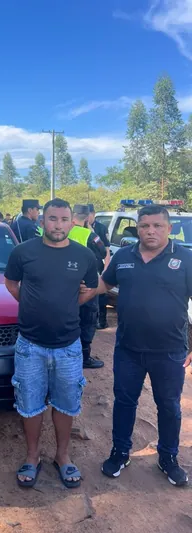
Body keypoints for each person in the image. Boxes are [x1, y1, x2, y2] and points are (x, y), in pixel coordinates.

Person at [4, 198, 98, 489]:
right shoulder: (23, 252)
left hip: (68, 346)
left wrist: (69, 303)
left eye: (64, 219)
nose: (58, 225)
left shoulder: (84, 256)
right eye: (52, 219)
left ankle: (62, 456)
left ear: (72, 222)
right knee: (30, 404)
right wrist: (30, 304)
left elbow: (91, 288)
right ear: (42, 221)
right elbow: (11, 283)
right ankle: (32, 457)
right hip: (30, 346)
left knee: (66, 404)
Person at [98, 204, 192, 486]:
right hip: (128, 348)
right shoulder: (124, 256)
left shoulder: (185, 258)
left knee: (169, 406)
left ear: (169, 228)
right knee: (124, 402)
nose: (151, 231)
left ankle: (168, 457)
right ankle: (120, 452)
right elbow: (103, 285)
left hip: (170, 351)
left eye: (157, 226)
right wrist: (67, 289)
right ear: (137, 228)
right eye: (144, 226)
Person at [69, 205, 106, 369]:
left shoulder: (62, 232)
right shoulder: (89, 235)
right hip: (87, 284)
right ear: (87, 217)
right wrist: (90, 228)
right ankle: (84, 357)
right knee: (88, 319)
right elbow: (102, 252)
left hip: (65, 284)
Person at [88, 204, 111, 329]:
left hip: (98, 265)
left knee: (101, 295)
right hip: (86, 266)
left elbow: (106, 250)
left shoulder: (101, 228)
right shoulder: (79, 227)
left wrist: (106, 268)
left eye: (88, 215)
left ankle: (102, 321)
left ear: (93, 214)